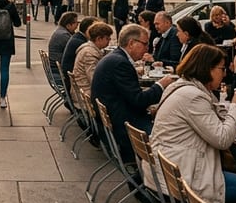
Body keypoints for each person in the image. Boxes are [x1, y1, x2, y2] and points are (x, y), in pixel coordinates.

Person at [151, 44, 236, 203]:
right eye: (221, 69)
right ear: (206, 68)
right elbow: (222, 139)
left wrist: (231, 107)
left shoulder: (184, 87)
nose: (224, 74)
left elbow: (217, 121)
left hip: (179, 164)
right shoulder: (193, 96)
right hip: (188, 173)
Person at [91, 23, 175, 161]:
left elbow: (130, 95)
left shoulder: (116, 58)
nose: (147, 49)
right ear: (131, 43)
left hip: (117, 118)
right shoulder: (120, 63)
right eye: (144, 44)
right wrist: (161, 85)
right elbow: (138, 100)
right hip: (125, 126)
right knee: (169, 138)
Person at [70, 22, 113, 97]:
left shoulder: (89, 48)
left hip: (83, 90)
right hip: (85, 95)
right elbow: (94, 79)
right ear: (99, 39)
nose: (109, 41)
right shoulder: (89, 54)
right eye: (107, 38)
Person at [61, 17, 98, 97]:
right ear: (88, 30)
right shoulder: (81, 43)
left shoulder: (78, 37)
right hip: (74, 85)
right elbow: (93, 78)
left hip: (70, 78)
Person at [47, 11, 79, 80]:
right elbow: (75, 50)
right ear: (68, 25)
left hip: (55, 66)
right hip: (58, 70)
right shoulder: (64, 35)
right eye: (76, 23)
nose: (77, 26)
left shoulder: (62, 31)